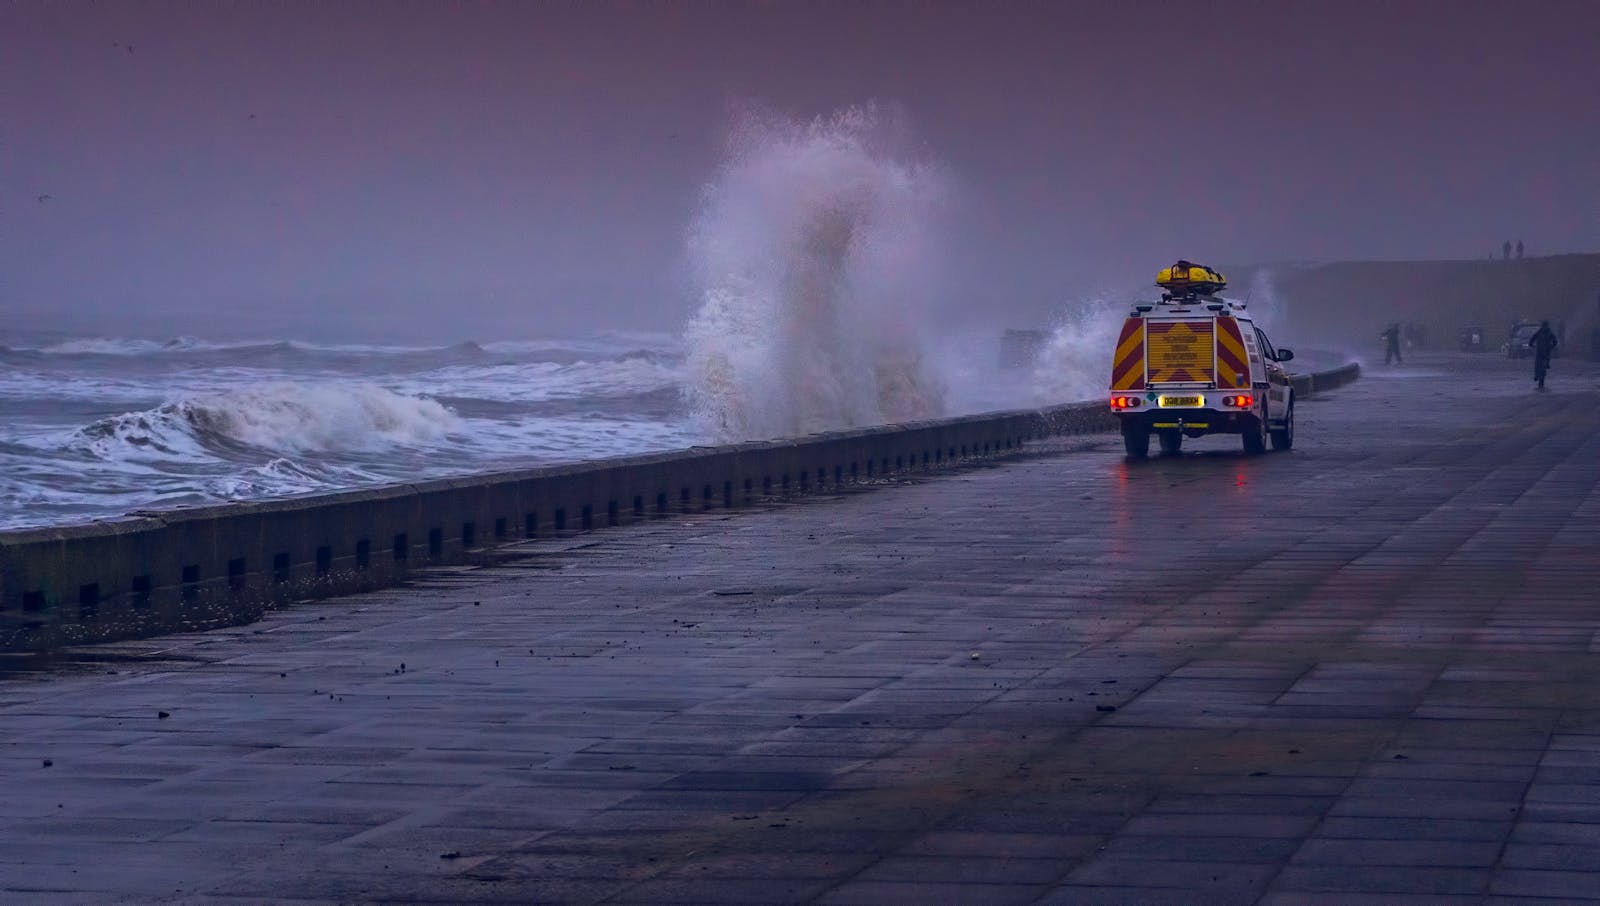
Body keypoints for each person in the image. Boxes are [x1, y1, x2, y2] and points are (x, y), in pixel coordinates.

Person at [1529, 320, 1558, 389]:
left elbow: (1531, 340)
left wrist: (1531, 345)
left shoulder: (1540, 332)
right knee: (1542, 364)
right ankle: (1539, 375)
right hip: (1545, 352)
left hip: (1541, 352)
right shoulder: (1549, 332)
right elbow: (1555, 341)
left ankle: (1537, 376)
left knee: (1538, 365)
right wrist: (1552, 346)